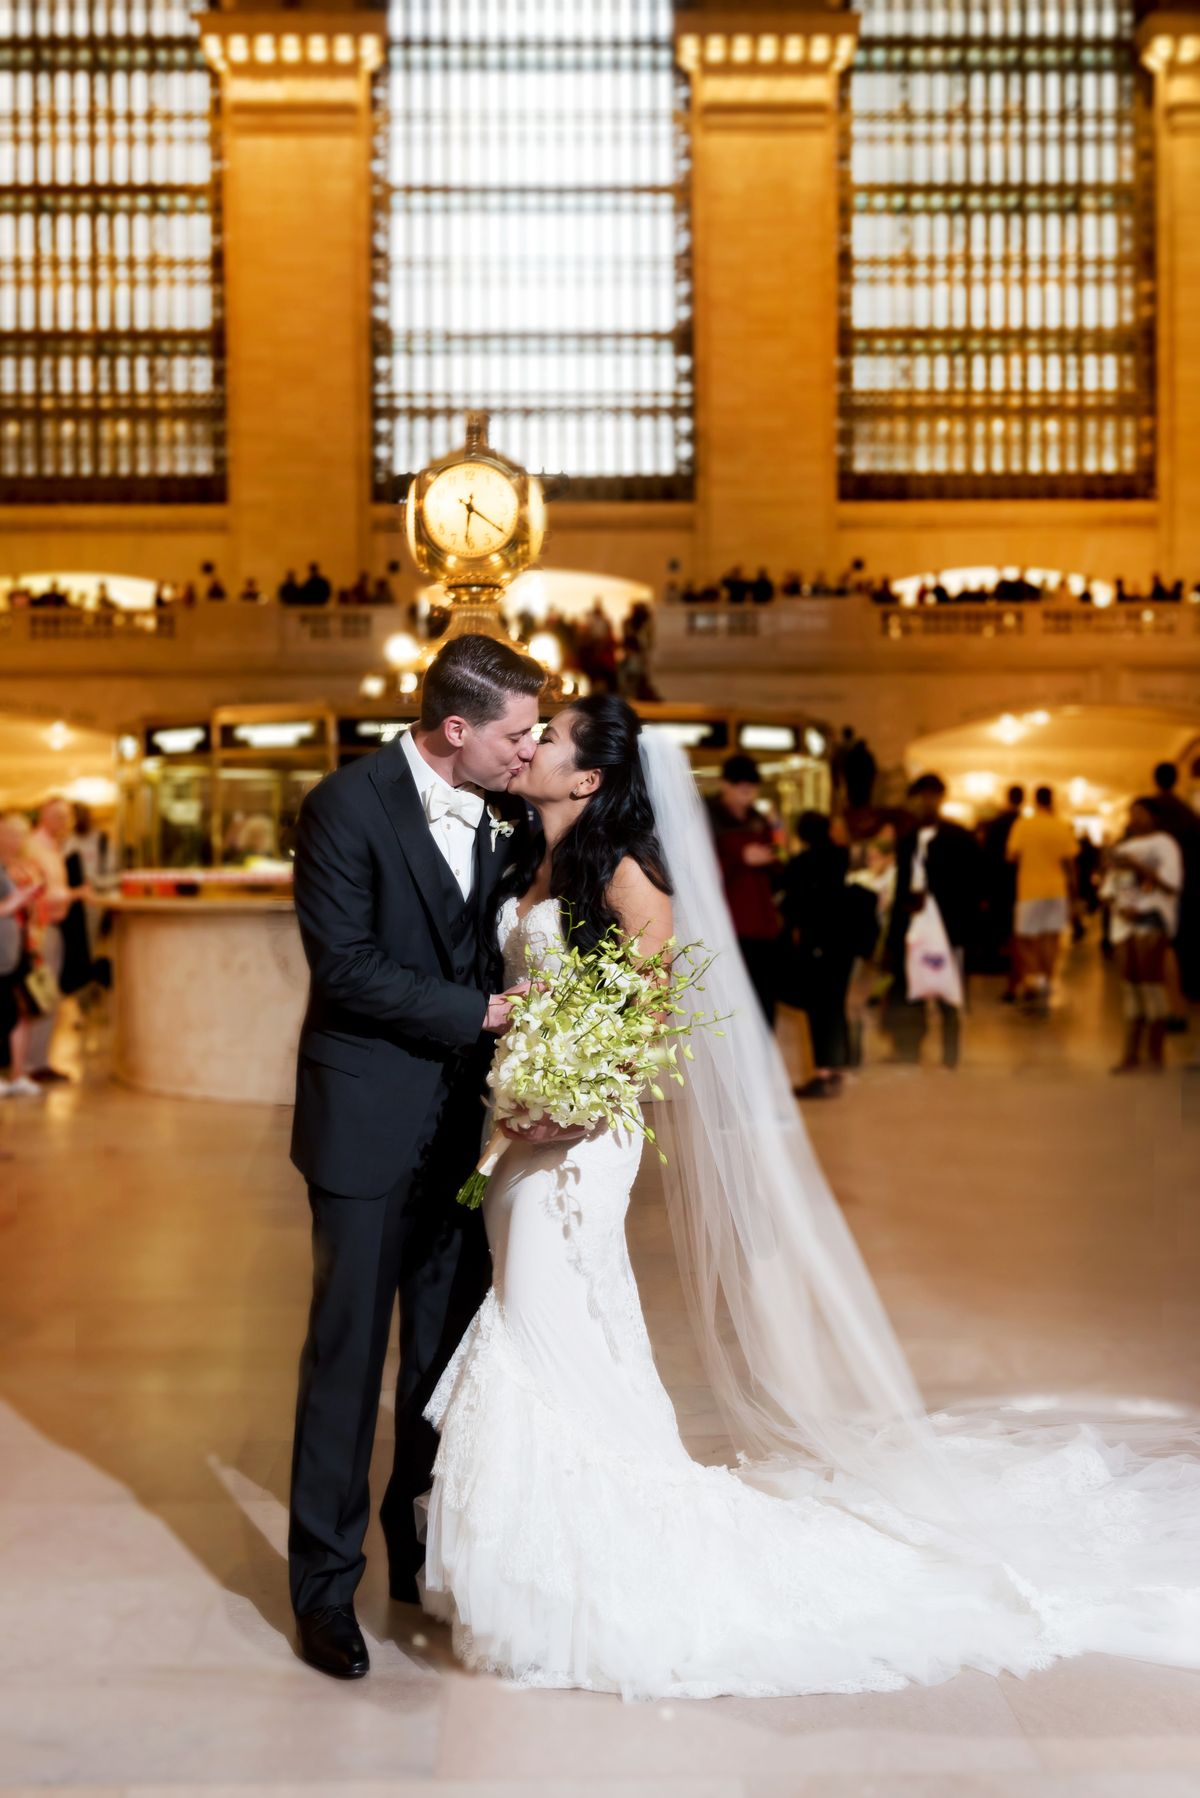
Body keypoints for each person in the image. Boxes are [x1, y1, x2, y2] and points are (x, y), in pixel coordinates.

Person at [419, 698, 1200, 1698]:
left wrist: (574, 1104)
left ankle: (577, 1568)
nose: (530, 745)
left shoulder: (629, 879)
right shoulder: (535, 862)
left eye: (551, 736)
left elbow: (655, 1024)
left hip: (580, 1141)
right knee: (556, 1329)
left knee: (541, 1326)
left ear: (587, 778)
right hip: (522, 1131)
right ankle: (529, 1564)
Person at [287, 633, 544, 1681]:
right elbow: (343, 966)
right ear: (455, 729)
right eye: (515, 735)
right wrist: (478, 1010)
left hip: (464, 1133)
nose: (527, 751)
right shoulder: (344, 807)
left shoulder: (511, 813)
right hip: (364, 1125)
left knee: (440, 1362)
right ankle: (321, 1588)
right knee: (347, 1363)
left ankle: (418, 1548)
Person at [884, 774, 978, 1067]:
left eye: (930, 796)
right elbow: (901, 885)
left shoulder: (958, 837)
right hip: (917, 923)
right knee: (912, 987)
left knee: (946, 990)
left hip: (946, 924)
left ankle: (948, 1053)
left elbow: (972, 886)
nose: (925, 802)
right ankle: (912, 1048)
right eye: (921, 796)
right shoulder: (908, 839)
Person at [1104, 797, 1184, 1074]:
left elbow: (1171, 885)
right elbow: (1112, 887)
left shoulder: (1164, 844)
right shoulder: (1124, 847)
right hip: (1124, 923)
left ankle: (1155, 1054)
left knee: (1151, 986)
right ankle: (1130, 1053)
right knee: (1131, 988)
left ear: (1154, 816)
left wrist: (1136, 867)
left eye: (1140, 812)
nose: (1134, 817)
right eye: (1132, 813)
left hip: (1152, 918)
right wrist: (1120, 906)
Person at [705, 753, 781, 1025]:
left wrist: (771, 858)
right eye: (740, 787)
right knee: (730, 997)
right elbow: (696, 868)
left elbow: (777, 864)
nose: (746, 793)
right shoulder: (707, 817)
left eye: (752, 787)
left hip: (762, 921)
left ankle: (762, 1054)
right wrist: (739, 859)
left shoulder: (759, 819)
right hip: (726, 923)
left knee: (764, 994)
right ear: (726, 785)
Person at [14, 797, 74, 1084]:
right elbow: (35, 895)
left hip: (50, 927)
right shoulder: (33, 849)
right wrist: (74, 895)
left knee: (47, 995)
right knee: (40, 995)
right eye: (57, 816)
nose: (63, 822)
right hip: (39, 931)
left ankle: (36, 1060)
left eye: (66, 816)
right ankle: (30, 1063)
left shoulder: (52, 847)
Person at [1006, 786, 1078, 1012]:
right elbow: (1070, 863)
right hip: (1057, 889)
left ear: (1034, 801)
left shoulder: (1023, 825)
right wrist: (1074, 892)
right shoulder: (1061, 826)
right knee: (1050, 939)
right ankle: (1046, 980)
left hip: (1029, 888)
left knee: (1026, 939)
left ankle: (1033, 980)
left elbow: (1012, 855)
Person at [0, 815, 46, 1099]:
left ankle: (18, 1073)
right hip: (3, 949)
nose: (15, 839)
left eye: (20, 834)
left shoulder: (16, 865)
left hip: (17, 947)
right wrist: (16, 902)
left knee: (21, 1008)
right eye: (10, 833)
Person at [1150, 760, 1200, 1010]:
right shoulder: (1187, 812)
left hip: (1156, 886)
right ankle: (1187, 991)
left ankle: (1170, 1001)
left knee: (1161, 943)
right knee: (1184, 939)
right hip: (1187, 883)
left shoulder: (1149, 811)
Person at [981, 785, 1025, 996]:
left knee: (998, 923)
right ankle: (1012, 971)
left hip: (997, 880)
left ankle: (996, 961)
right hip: (1019, 882)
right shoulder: (1023, 824)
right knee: (1016, 929)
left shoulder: (997, 824)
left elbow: (987, 855)